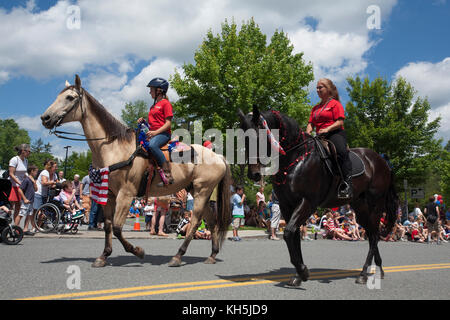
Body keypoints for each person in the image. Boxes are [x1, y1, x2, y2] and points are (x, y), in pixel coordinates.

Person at [306, 78, 352, 199]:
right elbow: (310, 123)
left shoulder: (335, 104)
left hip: (335, 133)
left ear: (328, 89)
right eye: (317, 88)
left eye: (320, 87)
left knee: (341, 152)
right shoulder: (315, 108)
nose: (318, 90)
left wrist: (327, 129)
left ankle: (347, 183)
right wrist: (308, 131)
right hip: (319, 136)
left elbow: (340, 121)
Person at [137, 77, 174, 187]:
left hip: (163, 134)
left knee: (153, 146)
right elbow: (152, 125)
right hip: (154, 133)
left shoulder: (165, 103)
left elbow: (168, 124)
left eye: (151, 89)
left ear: (159, 91)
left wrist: (155, 133)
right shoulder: (152, 107)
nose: (149, 92)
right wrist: (144, 122)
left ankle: (168, 174)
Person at [8, 144, 31, 222]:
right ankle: (5, 224)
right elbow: (11, 174)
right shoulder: (14, 159)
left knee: (18, 207)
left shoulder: (26, 161)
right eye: (29, 151)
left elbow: (24, 173)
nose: (29, 153)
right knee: (10, 206)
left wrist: (29, 180)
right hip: (13, 186)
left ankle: (15, 227)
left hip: (20, 186)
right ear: (23, 151)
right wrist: (18, 182)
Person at [15, 165, 38, 235]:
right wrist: (24, 199)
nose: (36, 173)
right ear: (31, 171)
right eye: (36, 172)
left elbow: (36, 189)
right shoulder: (26, 180)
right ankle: (14, 229)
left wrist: (34, 183)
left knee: (28, 215)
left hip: (31, 201)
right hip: (26, 201)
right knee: (21, 214)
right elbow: (20, 189)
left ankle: (25, 229)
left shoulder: (32, 180)